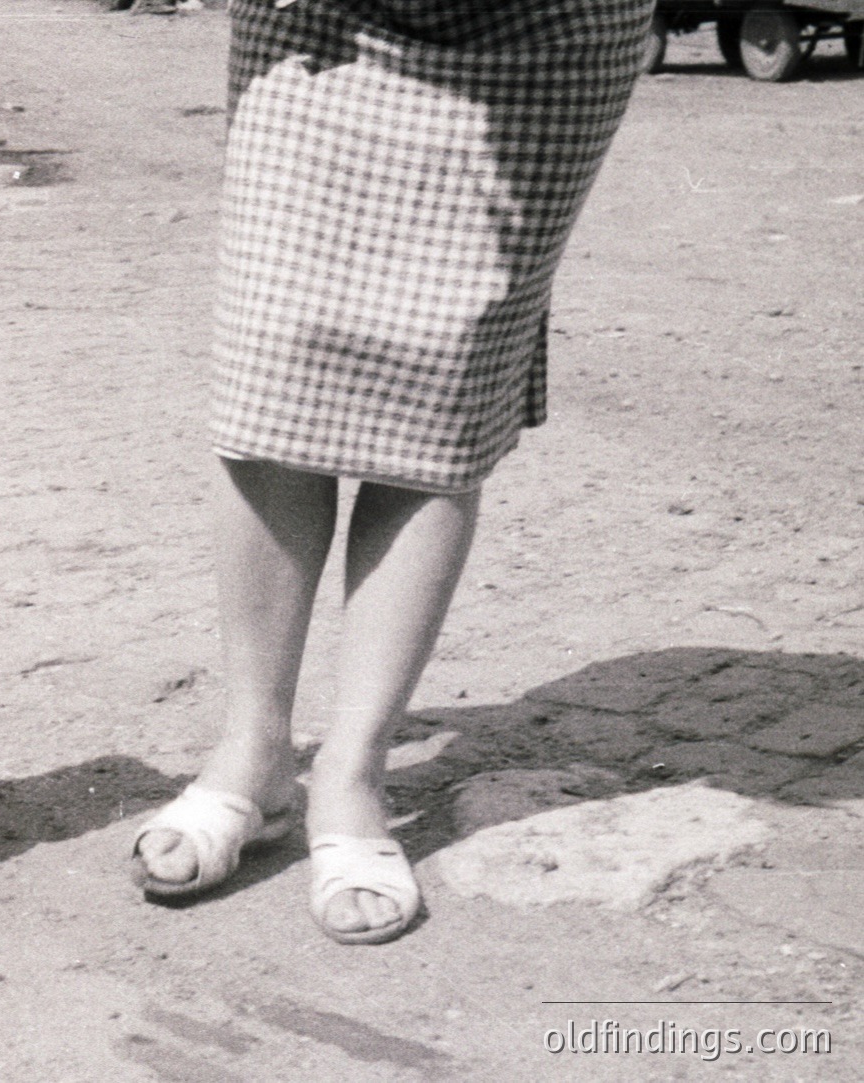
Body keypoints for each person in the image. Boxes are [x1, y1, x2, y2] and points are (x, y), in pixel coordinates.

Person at [131, 0, 652, 944]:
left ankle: (351, 770)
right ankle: (254, 751)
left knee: (444, 382)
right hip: (316, 29)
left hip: (542, 29)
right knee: (272, 365)